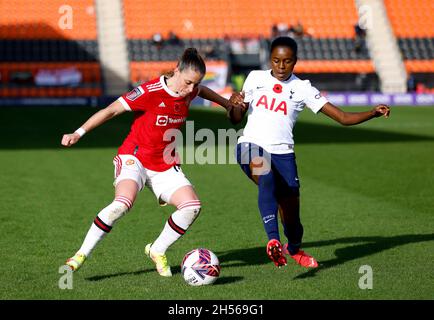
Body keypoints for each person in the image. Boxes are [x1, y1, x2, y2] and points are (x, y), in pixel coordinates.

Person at [62, 48, 240, 277]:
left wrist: (226, 104)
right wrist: (79, 133)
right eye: (187, 82)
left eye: (194, 84)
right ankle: (80, 254)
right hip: (134, 157)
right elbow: (111, 111)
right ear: (176, 70)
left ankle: (157, 250)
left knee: (192, 207)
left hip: (164, 163)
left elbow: (202, 91)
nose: (190, 89)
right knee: (122, 204)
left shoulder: (191, 89)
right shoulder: (149, 91)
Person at [228, 37, 390, 269]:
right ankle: (273, 240)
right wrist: (235, 106)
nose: (281, 66)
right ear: (269, 59)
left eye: (287, 61)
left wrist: (372, 113)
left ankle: (293, 248)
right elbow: (235, 119)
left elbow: (343, 118)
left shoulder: (302, 88)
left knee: (293, 220)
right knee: (266, 176)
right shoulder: (255, 78)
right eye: (276, 60)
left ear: (295, 61)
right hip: (249, 145)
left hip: (283, 155)